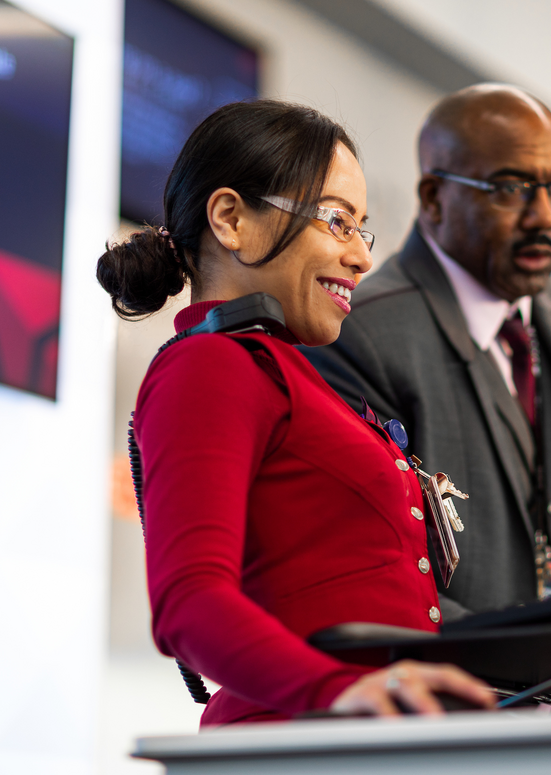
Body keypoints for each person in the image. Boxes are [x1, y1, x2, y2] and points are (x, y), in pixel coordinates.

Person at [96, 99, 495, 726]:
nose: (362, 257)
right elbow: (190, 605)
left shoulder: (293, 376)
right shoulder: (211, 367)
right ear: (231, 219)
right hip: (295, 747)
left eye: (361, 230)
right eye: (337, 222)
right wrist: (337, 691)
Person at [304, 84, 551, 619]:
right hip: (461, 691)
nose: (545, 216)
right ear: (433, 198)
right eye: (511, 188)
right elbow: (370, 568)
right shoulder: (362, 333)